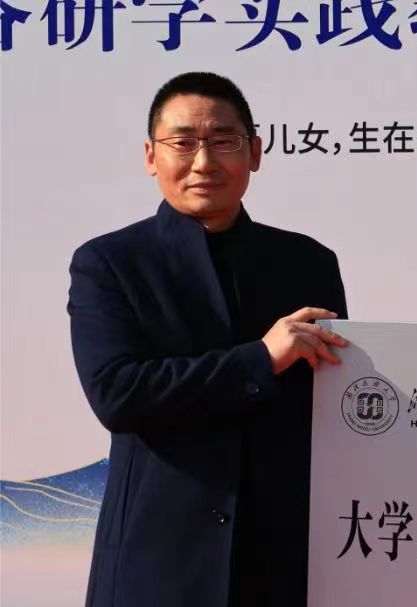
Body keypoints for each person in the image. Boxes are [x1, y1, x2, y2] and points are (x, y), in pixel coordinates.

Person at [68, 72, 348, 607]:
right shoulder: (110, 263)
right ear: (151, 156)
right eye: (182, 143)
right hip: (156, 564)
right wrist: (262, 359)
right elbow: (117, 394)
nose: (203, 162)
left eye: (223, 141)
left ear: (255, 153)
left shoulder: (307, 263)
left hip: (281, 562)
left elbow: (333, 405)